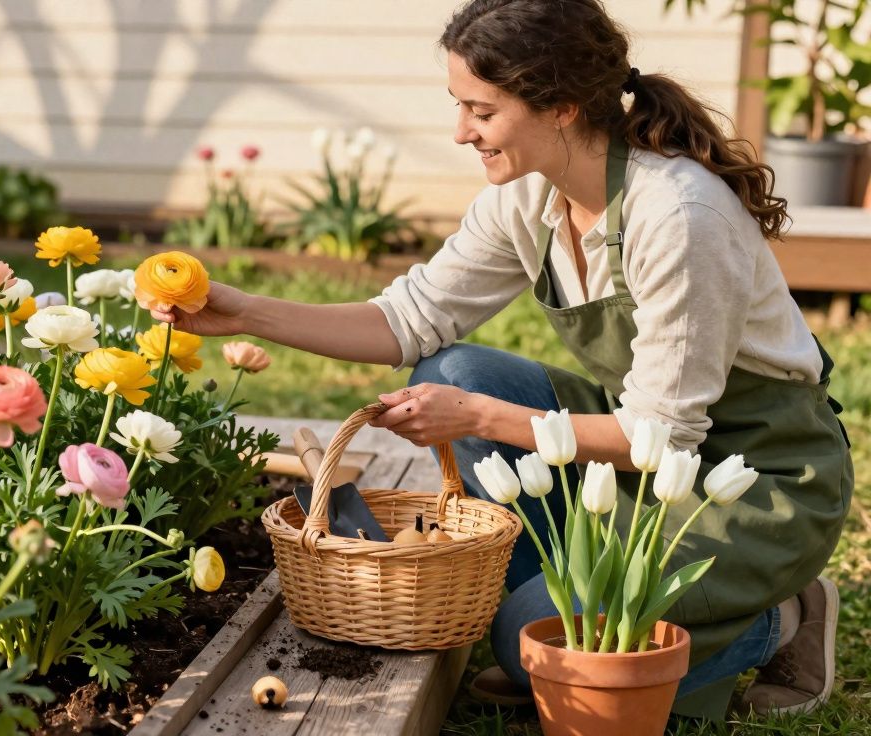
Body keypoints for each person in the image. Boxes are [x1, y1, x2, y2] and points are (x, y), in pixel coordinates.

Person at [147, 0, 852, 720]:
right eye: (459, 106)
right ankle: (556, 608)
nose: (460, 132)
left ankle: (779, 619)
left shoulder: (677, 216)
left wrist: (482, 417)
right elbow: (409, 320)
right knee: (449, 373)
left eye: (480, 110)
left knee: (532, 642)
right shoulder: (529, 198)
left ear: (563, 106)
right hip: (645, 458)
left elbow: (661, 437)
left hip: (755, 480)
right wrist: (245, 314)